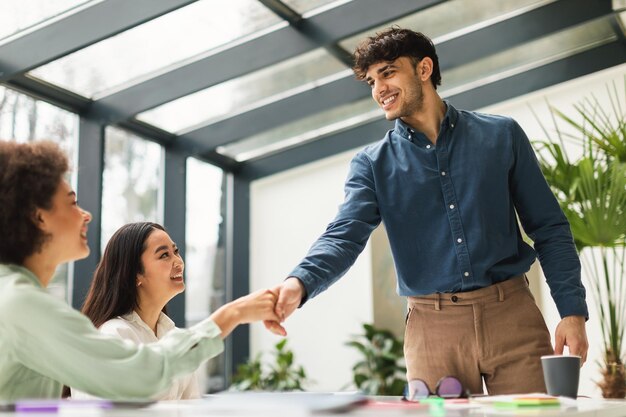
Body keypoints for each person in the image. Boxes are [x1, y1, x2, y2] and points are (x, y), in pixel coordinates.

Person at [264, 28, 589, 395]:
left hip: (512, 318)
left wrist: (572, 312)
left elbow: (549, 227)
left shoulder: (502, 136)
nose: (378, 89)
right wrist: (299, 283)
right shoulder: (372, 164)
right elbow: (344, 236)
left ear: (424, 69)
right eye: (371, 81)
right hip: (432, 331)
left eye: (388, 72)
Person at [0, 140, 280, 402]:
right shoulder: (21, 304)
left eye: (176, 251)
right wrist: (232, 314)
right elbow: (140, 374)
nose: (86, 215)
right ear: (40, 217)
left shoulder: (16, 298)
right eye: (72, 203)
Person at [71, 222, 204, 400]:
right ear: (136, 275)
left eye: (176, 252)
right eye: (165, 255)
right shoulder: (114, 335)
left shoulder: (173, 335)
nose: (179, 262)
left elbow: (191, 408)